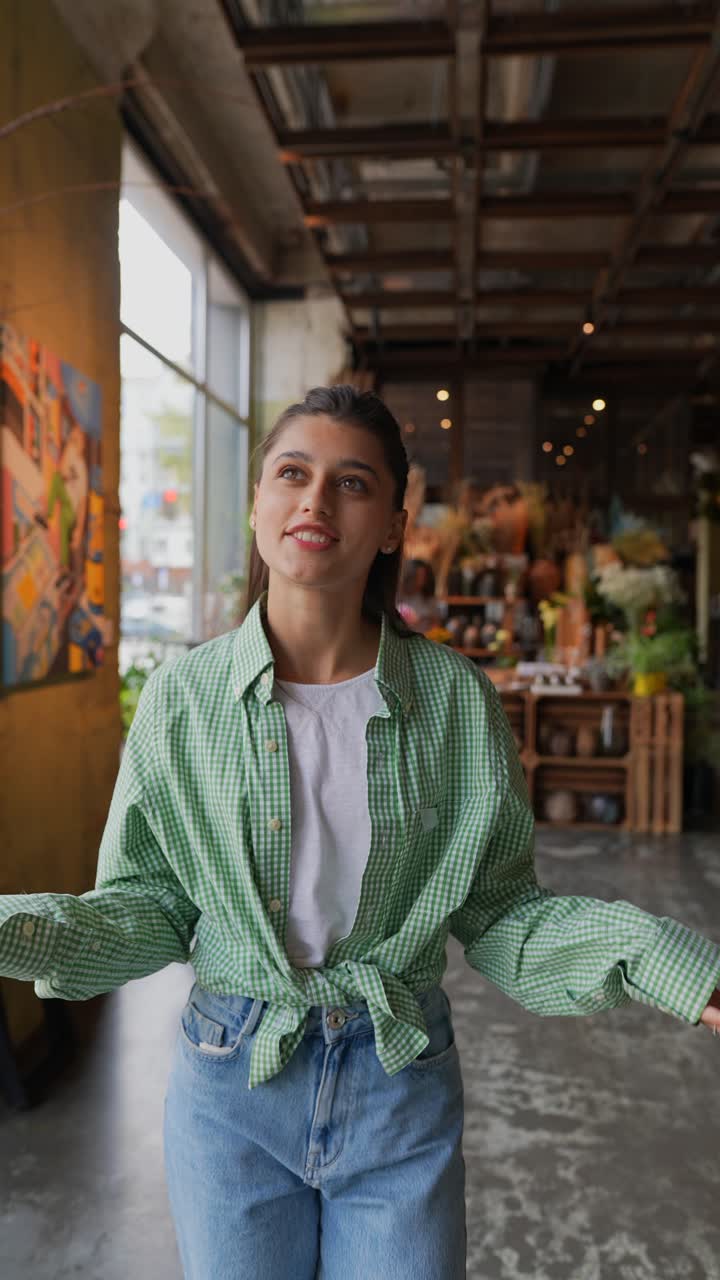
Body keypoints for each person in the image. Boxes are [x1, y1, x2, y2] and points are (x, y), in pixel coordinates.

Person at [2, 384, 720, 1280]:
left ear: (391, 525)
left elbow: (500, 915)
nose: (315, 500)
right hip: (231, 1089)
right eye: (292, 474)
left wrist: (658, 958)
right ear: (259, 505)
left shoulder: (456, 701)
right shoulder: (182, 702)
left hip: (399, 1083)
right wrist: (16, 929)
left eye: (352, 483)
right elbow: (148, 907)